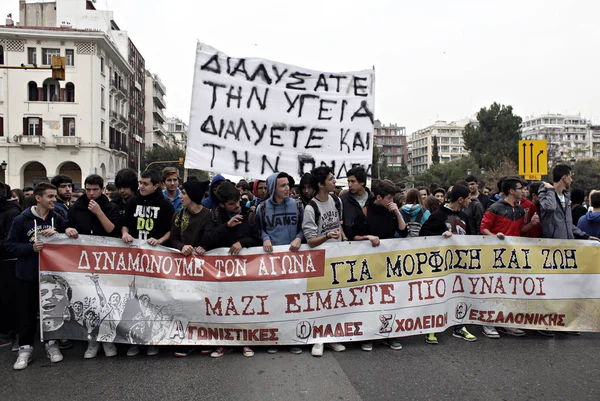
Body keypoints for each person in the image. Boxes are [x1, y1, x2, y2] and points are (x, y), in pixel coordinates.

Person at [5, 182, 70, 370]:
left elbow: (68, 237)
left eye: (54, 196)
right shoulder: (21, 219)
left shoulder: (57, 217)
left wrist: (60, 233)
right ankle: (25, 349)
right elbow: (10, 245)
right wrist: (30, 248)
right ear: (38, 198)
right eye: (50, 196)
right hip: (27, 274)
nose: (54, 200)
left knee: (51, 311)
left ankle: (52, 344)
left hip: (51, 275)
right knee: (26, 311)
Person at [66, 174, 121, 359]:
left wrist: (99, 212)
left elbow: (112, 231)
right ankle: (92, 340)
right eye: (88, 189)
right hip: (82, 262)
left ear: (102, 189)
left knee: (104, 302)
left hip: (105, 262)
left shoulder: (110, 207)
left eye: (95, 190)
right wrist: (68, 229)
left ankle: (107, 339)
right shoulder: (76, 208)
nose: (91, 193)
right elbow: (67, 226)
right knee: (89, 302)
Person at [203, 181, 261, 358]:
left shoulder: (249, 214)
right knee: (223, 308)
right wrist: (226, 226)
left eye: (237, 202)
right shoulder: (214, 216)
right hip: (221, 272)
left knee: (244, 306)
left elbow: (258, 239)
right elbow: (206, 241)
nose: (236, 206)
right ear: (222, 204)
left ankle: (245, 341)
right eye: (231, 204)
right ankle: (224, 343)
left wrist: (242, 243)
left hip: (245, 270)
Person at [350, 180, 406, 352]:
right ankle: (369, 335)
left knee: (390, 298)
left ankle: (390, 333)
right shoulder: (365, 212)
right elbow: (354, 237)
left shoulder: (391, 211)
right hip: (369, 265)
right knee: (370, 299)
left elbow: (403, 232)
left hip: (388, 264)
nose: (391, 201)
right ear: (379, 197)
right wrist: (367, 237)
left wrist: (397, 213)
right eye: (388, 198)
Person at [419, 184, 477, 344]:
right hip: (440, 266)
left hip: (460, 265)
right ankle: (432, 328)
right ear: (460, 199)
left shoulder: (465, 217)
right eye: (468, 198)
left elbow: (471, 236)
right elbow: (423, 234)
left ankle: (460, 326)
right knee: (438, 295)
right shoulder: (438, 215)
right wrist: (440, 236)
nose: (470, 201)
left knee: (460, 294)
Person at [255, 172, 305, 355]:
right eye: (282, 185)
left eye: (288, 185)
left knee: (293, 301)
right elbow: (258, 230)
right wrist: (265, 238)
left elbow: (304, 227)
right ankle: (273, 338)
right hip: (271, 262)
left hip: (293, 261)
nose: (287, 189)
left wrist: (299, 238)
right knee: (274, 301)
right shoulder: (261, 208)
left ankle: (292, 338)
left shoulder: (297, 205)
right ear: (273, 188)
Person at [302, 167, 346, 357]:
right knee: (319, 300)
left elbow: (339, 225)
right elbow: (310, 241)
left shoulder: (337, 200)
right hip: (318, 261)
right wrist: (327, 235)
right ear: (320, 184)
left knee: (335, 299)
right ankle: (317, 338)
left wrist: (343, 244)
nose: (334, 182)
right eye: (330, 179)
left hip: (336, 258)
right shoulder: (311, 208)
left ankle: (331, 335)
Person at [168, 179, 212, 357]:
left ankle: (203, 337)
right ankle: (186, 340)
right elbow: (173, 237)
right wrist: (181, 247)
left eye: (184, 193)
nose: (180, 196)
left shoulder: (209, 215)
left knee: (203, 303)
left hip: (204, 269)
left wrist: (205, 247)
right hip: (184, 269)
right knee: (184, 304)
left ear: (193, 196)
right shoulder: (178, 215)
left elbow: (213, 237)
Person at [480, 176, 527, 338]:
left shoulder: (521, 210)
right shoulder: (494, 208)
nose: (523, 191)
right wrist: (495, 236)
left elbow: (520, 231)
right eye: (520, 188)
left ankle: (506, 322)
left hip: (513, 256)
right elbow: (483, 228)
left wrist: (533, 224)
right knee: (493, 288)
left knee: (510, 290)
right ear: (512, 191)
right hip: (494, 256)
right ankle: (488, 323)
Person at [0, 183, 22, 350]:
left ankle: (11, 333)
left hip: (8, 262)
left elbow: (10, 241)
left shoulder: (12, 213)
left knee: (9, 299)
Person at [341, 167, 370, 243]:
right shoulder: (343, 200)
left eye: (353, 181)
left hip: (371, 246)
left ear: (362, 182)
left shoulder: (372, 199)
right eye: (348, 181)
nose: (349, 185)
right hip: (350, 246)